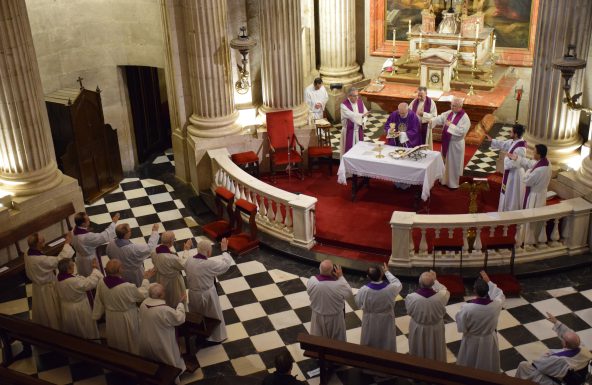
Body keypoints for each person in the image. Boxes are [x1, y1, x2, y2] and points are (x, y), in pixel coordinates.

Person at [92, 259, 153, 354]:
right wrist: (145, 279)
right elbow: (141, 294)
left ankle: (118, 355)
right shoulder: (126, 287)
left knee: (116, 338)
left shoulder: (102, 282)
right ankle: (134, 357)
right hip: (126, 317)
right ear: (120, 270)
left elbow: (98, 299)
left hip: (111, 316)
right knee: (130, 340)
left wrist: (97, 314)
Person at [515, 312, 592, 384]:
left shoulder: (560, 360)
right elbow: (569, 333)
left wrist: (547, 355)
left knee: (523, 366)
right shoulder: (584, 350)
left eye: (563, 339)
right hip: (577, 378)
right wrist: (556, 322)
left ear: (564, 344)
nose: (562, 338)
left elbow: (540, 366)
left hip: (554, 381)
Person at [185, 238, 233, 343]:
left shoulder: (189, 261)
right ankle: (216, 337)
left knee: (197, 315)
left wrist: (186, 249)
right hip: (207, 294)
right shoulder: (209, 264)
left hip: (193, 294)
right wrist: (224, 251)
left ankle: (198, 334)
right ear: (208, 252)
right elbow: (225, 265)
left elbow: (183, 260)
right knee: (213, 315)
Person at [455, 271, 505, 372]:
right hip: (489, 339)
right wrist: (489, 282)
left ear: (474, 291)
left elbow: (461, 327)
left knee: (469, 365)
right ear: (487, 291)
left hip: (472, 339)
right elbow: (500, 294)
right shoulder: (497, 305)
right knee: (487, 364)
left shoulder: (467, 308)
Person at [24, 232, 75, 329]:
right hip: (46, 288)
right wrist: (67, 243)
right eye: (42, 241)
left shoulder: (27, 252)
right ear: (37, 244)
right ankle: (55, 329)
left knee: (42, 310)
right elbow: (59, 261)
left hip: (37, 287)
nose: (44, 243)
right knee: (51, 311)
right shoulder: (40, 260)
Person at [138, 283, 186, 380]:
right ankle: (171, 379)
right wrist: (181, 303)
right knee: (167, 360)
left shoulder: (143, 304)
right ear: (161, 295)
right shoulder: (163, 309)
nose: (165, 293)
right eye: (164, 291)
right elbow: (179, 318)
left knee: (152, 361)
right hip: (161, 341)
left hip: (146, 339)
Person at [508, 144, 552, 246]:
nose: (533, 152)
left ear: (539, 154)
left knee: (531, 219)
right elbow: (531, 163)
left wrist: (526, 171)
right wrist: (518, 158)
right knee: (537, 220)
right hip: (541, 194)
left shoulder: (538, 170)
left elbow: (526, 180)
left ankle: (528, 240)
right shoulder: (547, 163)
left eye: (534, 151)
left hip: (534, 197)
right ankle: (534, 238)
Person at [355, 263, 402, 352]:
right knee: (386, 340)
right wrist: (387, 272)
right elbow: (398, 283)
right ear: (382, 275)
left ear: (368, 277)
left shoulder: (363, 290)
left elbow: (358, 303)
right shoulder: (391, 288)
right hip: (386, 318)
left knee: (370, 339)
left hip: (370, 318)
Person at [405, 270, 450, 362]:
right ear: (433, 284)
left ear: (419, 283)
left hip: (418, 327)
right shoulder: (442, 296)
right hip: (435, 328)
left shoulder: (411, 297)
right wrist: (435, 279)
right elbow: (444, 289)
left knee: (418, 350)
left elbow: (409, 312)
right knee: (435, 349)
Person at [56, 258, 103, 339]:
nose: (74, 266)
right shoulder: (72, 281)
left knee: (74, 330)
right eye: (72, 265)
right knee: (84, 328)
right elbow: (89, 283)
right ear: (68, 269)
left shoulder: (58, 278)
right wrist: (95, 269)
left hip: (66, 308)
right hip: (78, 309)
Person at [306, 259, 353, 342]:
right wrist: (341, 277)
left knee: (318, 342)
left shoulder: (312, 280)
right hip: (335, 318)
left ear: (320, 269)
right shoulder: (338, 285)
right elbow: (349, 293)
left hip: (318, 316)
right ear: (332, 272)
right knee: (337, 343)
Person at [430, 97, 471, 188]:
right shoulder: (450, 113)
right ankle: (443, 180)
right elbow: (441, 118)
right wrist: (432, 121)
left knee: (453, 164)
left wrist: (450, 126)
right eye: (451, 105)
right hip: (446, 142)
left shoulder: (465, 118)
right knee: (445, 162)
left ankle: (452, 184)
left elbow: (462, 131)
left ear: (460, 107)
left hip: (455, 145)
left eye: (454, 106)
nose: (452, 107)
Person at [485, 124, 527, 212]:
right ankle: (505, 209)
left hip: (515, 175)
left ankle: (511, 211)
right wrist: (492, 140)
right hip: (510, 173)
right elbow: (504, 144)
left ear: (515, 134)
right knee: (508, 192)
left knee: (512, 194)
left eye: (511, 131)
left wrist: (505, 159)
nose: (509, 132)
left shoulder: (520, 148)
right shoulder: (514, 142)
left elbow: (515, 163)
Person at [71, 211, 119, 277]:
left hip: (80, 257)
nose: (89, 220)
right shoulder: (87, 237)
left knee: (83, 275)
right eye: (87, 220)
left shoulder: (73, 231)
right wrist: (114, 222)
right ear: (82, 224)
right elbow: (104, 236)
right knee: (94, 277)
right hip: (90, 260)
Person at [152, 232, 192, 308]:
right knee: (175, 301)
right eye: (174, 240)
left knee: (164, 299)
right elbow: (183, 264)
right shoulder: (171, 258)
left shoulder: (154, 252)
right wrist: (186, 250)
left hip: (160, 279)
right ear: (171, 242)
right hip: (173, 283)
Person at [340, 87, 369, 156]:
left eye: (357, 95)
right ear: (349, 96)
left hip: (359, 130)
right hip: (349, 131)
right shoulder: (344, 105)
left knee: (360, 151)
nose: (357, 97)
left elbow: (366, 114)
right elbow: (351, 115)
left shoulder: (360, 102)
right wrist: (362, 116)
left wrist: (363, 121)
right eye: (354, 96)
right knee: (349, 153)